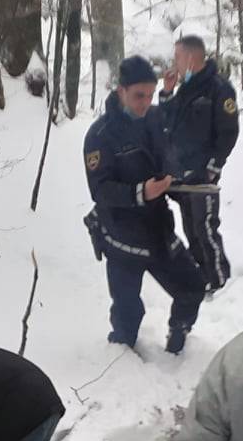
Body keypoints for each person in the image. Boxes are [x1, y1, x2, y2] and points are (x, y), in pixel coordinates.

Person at [83, 55, 206, 354]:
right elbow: (101, 191)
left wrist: (179, 179)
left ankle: (178, 338)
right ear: (120, 91)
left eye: (150, 95)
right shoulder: (99, 136)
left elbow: (167, 153)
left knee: (192, 286)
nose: (145, 102)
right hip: (121, 236)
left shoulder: (153, 118)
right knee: (127, 315)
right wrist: (141, 192)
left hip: (157, 228)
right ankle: (121, 362)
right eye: (139, 95)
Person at [158, 35, 240, 292]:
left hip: (204, 175)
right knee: (191, 229)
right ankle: (202, 278)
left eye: (178, 58)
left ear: (191, 58)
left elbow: (228, 132)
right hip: (182, 176)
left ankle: (220, 282)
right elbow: (167, 122)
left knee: (205, 229)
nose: (175, 63)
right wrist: (167, 92)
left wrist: (213, 167)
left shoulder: (219, 88)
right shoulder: (185, 88)